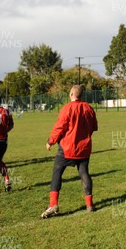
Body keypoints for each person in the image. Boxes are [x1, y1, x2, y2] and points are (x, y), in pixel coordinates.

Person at [40, 85, 98, 218]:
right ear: (81, 95)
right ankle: (89, 205)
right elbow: (94, 127)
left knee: (57, 173)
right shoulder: (89, 108)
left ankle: (53, 204)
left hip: (67, 148)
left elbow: (60, 128)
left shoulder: (67, 108)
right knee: (84, 173)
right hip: (84, 148)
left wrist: (50, 141)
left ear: (71, 94)